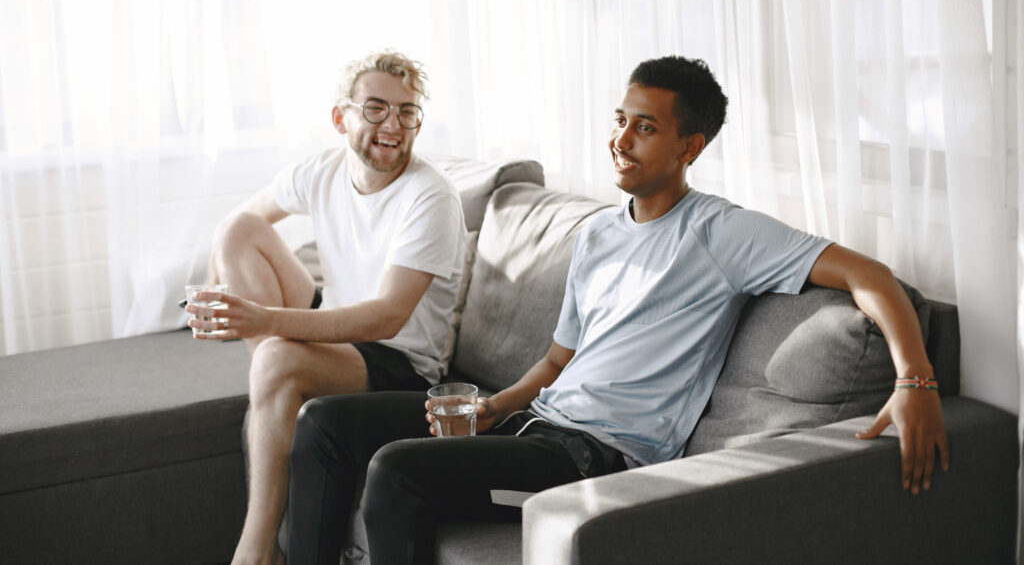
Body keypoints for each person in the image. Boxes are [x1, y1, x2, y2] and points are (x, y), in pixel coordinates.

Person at [285, 55, 949, 565]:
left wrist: (914, 379)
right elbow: (557, 357)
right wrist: (497, 405)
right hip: (532, 424)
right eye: (620, 119)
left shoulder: (720, 233)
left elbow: (870, 275)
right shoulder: (600, 232)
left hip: (593, 458)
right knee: (327, 423)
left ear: (689, 147)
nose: (621, 139)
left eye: (646, 127)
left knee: (399, 471)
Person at [185, 50, 467, 565]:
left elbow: (387, 316)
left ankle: (256, 551)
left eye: (407, 113)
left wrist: (266, 323)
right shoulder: (323, 170)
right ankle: (280, 387)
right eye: (376, 108)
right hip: (337, 329)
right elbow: (245, 220)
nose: (393, 125)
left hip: (397, 363)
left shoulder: (431, 196)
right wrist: (214, 293)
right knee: (238, 230)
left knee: (273, 357)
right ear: (342, 117)